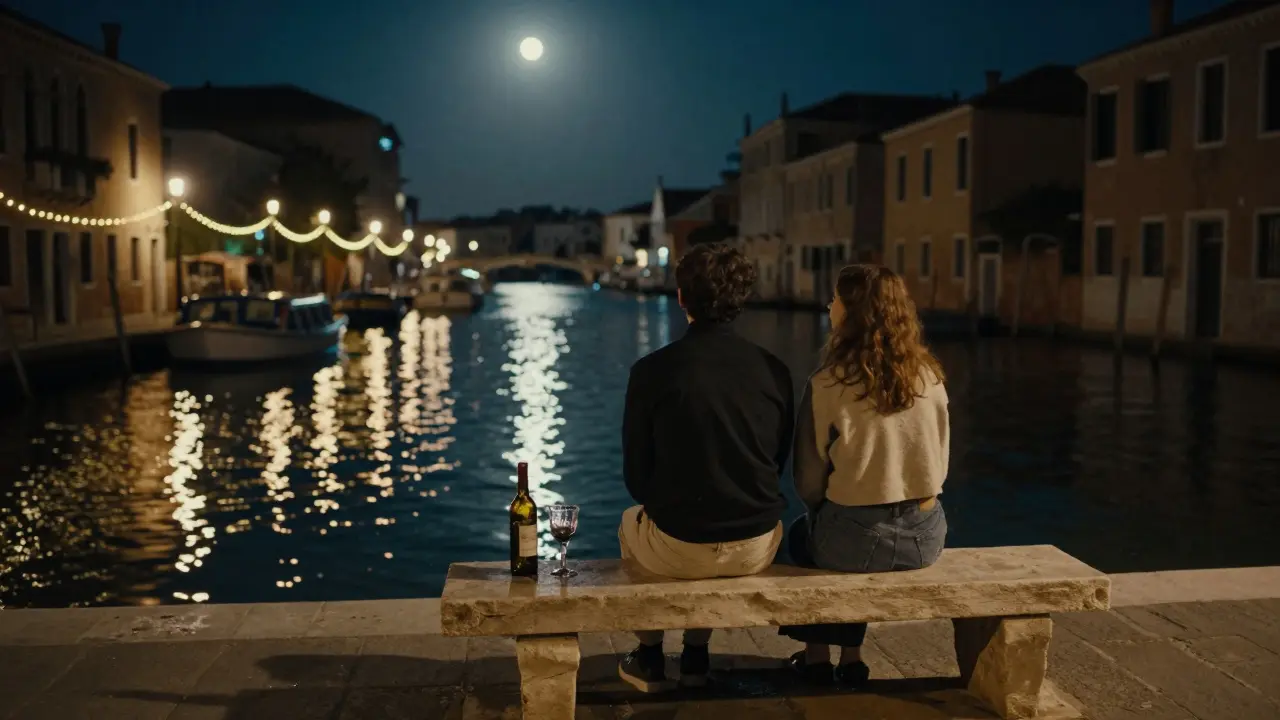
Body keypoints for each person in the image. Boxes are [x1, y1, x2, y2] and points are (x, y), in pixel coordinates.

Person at [617, 243, 794, 692]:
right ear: (741, 299)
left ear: (681, 297)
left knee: (628, 524)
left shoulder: (651, 371)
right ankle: (696, 655)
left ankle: (650, 655)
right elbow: (776, 462)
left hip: (681, 544)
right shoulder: (774, 370)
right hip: (757, 542)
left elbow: (637, 483)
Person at [780, 264, 950, 687]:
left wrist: (831, 507)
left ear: (851, 311)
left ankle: (818, 657)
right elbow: (940, 464)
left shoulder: (826, 384)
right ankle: (852, 658)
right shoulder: (931, 377)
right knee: (841, 539)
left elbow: (807, 482)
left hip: (854, 539)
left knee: (803, 538)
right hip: (926, 536)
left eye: (835, 298)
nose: (829, 304)